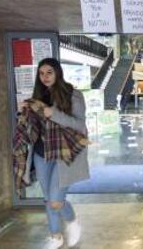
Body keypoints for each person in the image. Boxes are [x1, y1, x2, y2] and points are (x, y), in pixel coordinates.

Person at [17, 58, 90, 249]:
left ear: (58, 72)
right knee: (49, 199)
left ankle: (73, 222)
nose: (45, 77)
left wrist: (53, 113)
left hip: (63, 154)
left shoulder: (73, 95)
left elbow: (79, 125)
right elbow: (32, 128)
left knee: (56, 201)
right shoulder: (37, 97)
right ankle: (55, 236)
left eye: (49, 72)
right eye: (41, 73)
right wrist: (22, 112)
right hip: (41, 155)